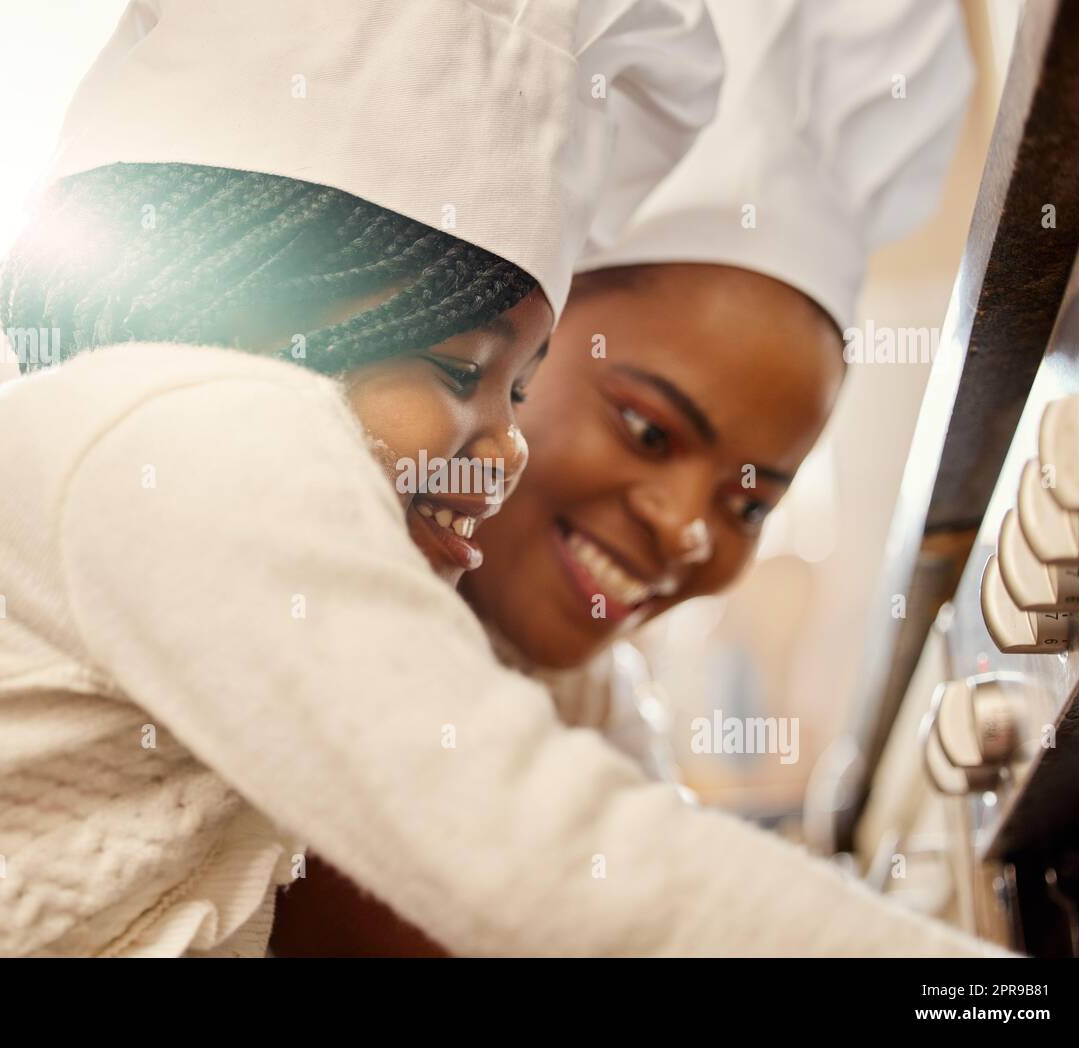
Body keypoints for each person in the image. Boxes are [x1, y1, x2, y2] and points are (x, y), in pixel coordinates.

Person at [271, 0, 978, 954]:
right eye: (648, 430)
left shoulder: (586, 692)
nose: (692, 529)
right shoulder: (303, 589)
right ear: (504, 341)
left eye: (754, 500)